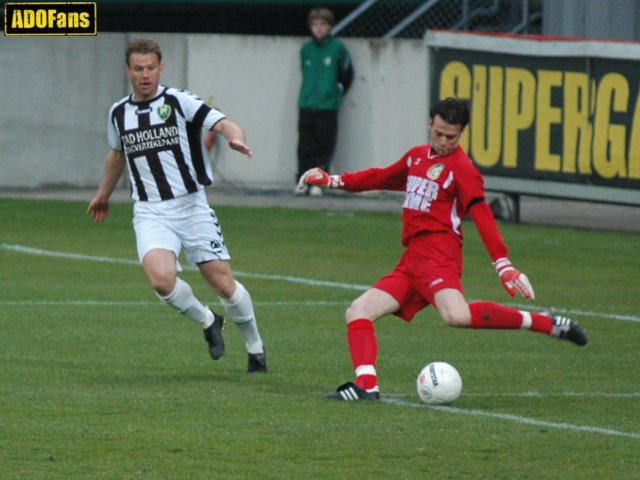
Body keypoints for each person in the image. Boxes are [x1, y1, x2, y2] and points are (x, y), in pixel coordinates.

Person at [297, 97, 587, 401]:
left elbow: (482, 214)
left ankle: (544, 322)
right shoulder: (416, 157)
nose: (444, 141)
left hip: (439, 257)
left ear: (461, 133)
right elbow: (381, 177)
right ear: (429, 124)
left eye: (452, 136)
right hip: (412, 261)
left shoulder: (463, 169)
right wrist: (332, 180)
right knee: (358, 311)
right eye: (439, 133)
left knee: (456, 316)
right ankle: (367, 386)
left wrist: (503, 264)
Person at [88, 38, 267, 373]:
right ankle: (208, 320)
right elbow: (117, 154)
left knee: (222, 283)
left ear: (161, 68)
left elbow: (223, 122)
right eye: (138, 69)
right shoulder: (118, 113)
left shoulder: (178, 101)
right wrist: (103, 194)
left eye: (151, 68)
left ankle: (256, 348)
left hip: (191, 206)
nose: (145, 75)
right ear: (128, 71)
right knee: (161, 280)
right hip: (150, 210)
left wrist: (235, 137)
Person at [296, 6, 354, 196]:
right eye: (315, 25)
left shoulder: (337, 49)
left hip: (327, 107)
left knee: (324, 145)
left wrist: (336, 95)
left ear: (329, 27)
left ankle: (319, 183)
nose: (319, 28)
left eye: (323, 24)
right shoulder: (306, 49)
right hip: (306, 104)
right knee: (305, 145)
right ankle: (302, 180)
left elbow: (347, 75)